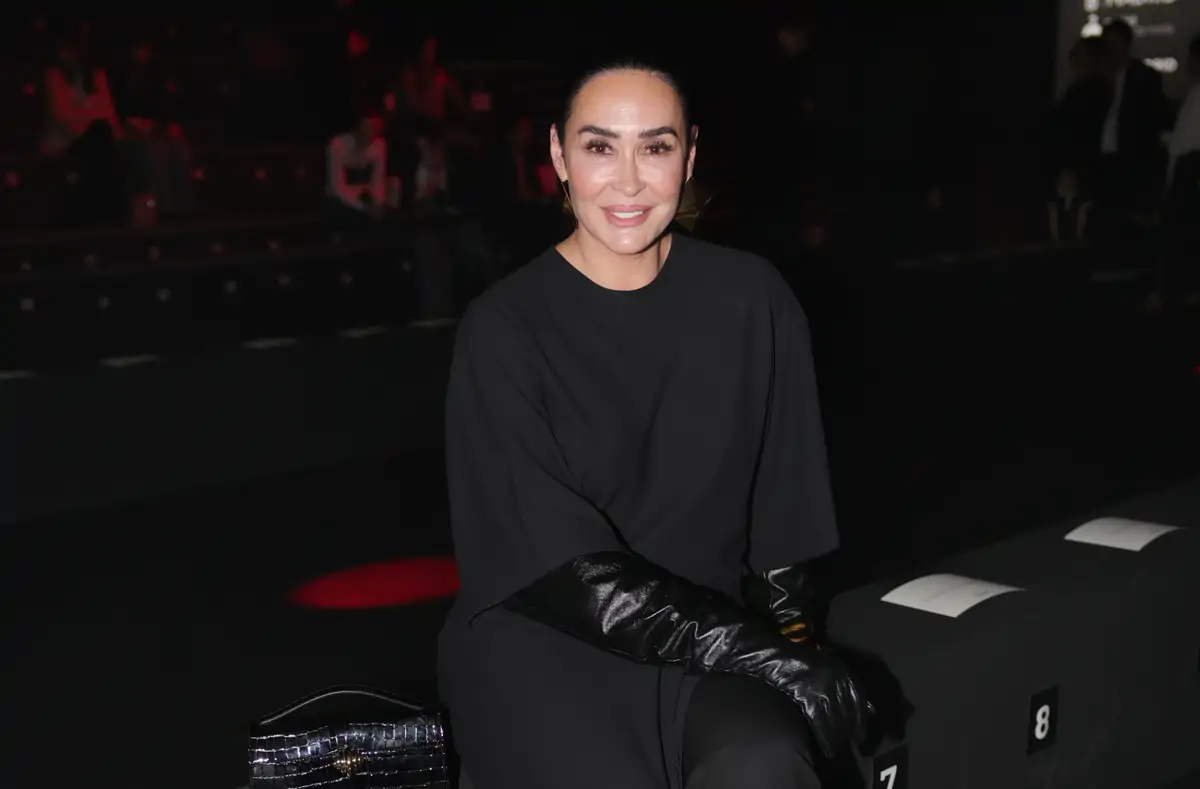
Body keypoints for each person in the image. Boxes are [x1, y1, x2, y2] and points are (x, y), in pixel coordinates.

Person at [439, 62, 872, 789]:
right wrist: (765, 656)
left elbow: (782, 531)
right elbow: (563, 573)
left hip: (706, 654)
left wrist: (797, 655)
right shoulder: (503, 328)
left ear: (689, 156)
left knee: (765, 762)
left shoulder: (752, 298)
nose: (630, 181)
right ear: (558, 156)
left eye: (656, 147)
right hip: (545, 644)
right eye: (600, 147)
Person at [41, 28, 127, 226]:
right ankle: (99, 212)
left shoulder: (97, 76)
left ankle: (108, 211)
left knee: (101, 137)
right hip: (67, 137)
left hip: (99, 134)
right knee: (98, 138)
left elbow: (107, 110)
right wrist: (89, 117)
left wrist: (86, 113)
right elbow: (61, 116)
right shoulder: (54, 76)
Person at [325, 110, 387, 224]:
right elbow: (337, 187)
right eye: (366, 129)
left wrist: (377, 203)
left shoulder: (379, 145)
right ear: (356, 129)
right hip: (341, 199)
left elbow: (378, 180)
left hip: (367, 198)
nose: (370, 134)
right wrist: (362, 206)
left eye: (374, 130)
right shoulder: (338, 144)